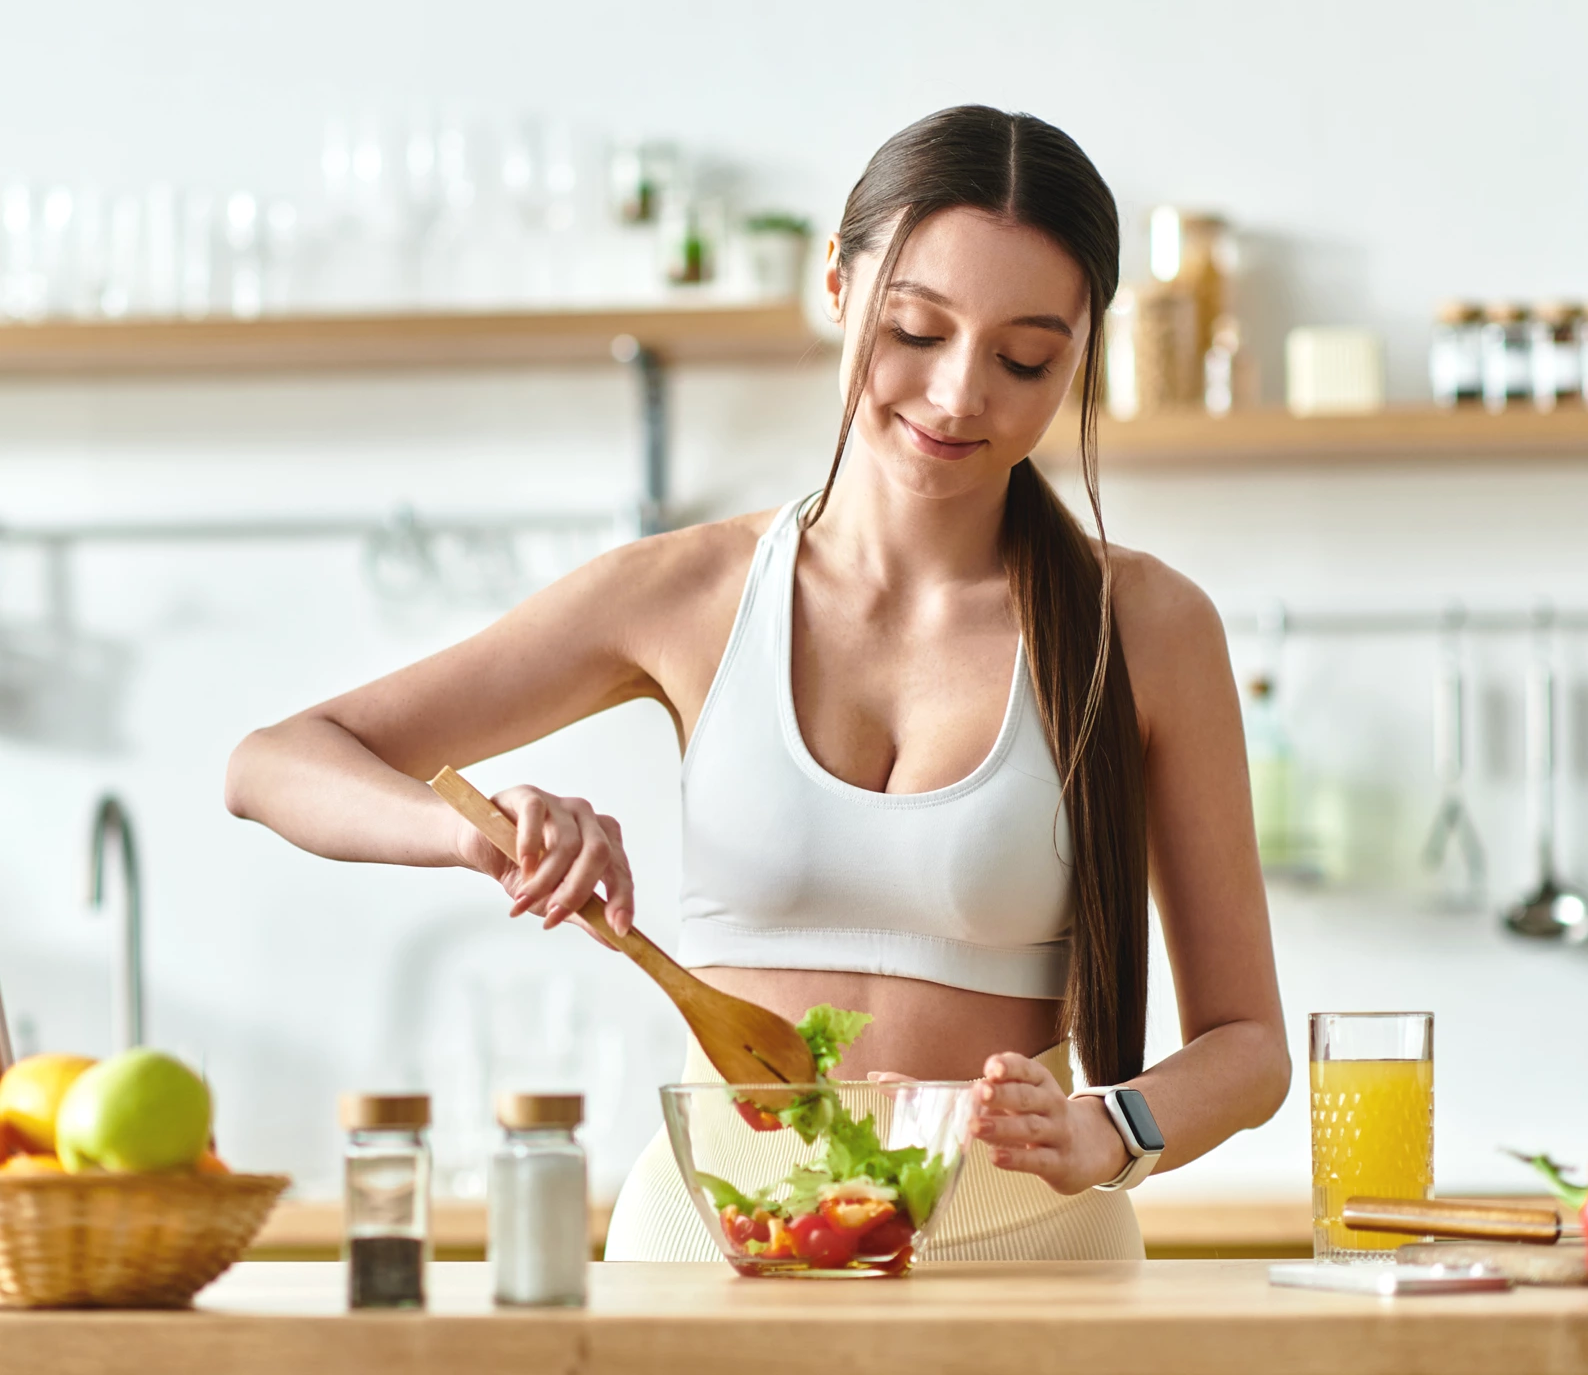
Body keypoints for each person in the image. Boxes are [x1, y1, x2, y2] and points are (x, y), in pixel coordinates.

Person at [226, 105, 1289, 1262]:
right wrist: (483, 832)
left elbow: (1247, 1043)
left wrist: (1112, 1126)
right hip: (708, 1245)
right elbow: (275, 762)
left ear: (1080, 353)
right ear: (837, 288)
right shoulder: (687, 594)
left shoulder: (1146, 627)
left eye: (1025, 358)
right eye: (915, 331)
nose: (957, 396)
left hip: (1024, 1245)